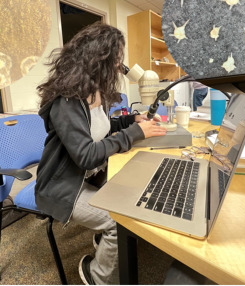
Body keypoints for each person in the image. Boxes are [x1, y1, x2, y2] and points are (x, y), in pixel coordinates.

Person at [35, 22, 167, 286]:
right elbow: (86, 154)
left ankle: (105, 244)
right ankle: (97, 276)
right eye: (117, 60)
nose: (120, 66)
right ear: (100, 60)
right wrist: (135, 134)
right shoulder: (67, 101)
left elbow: (102, 129)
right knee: (119, 219)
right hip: (60, 186)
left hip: (88, 176)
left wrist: (131, 121)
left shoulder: (97, 92)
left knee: (135, 192)